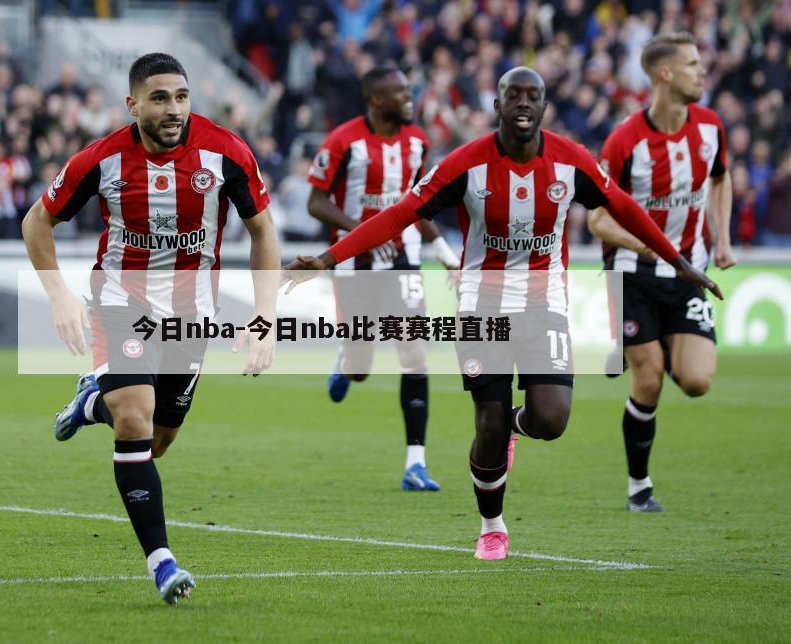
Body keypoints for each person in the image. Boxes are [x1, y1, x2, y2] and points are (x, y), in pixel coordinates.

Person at [284, 66, 720, 560]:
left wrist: (678, 261)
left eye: (533, 96)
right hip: (481, 308)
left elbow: (623, 206)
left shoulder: (571, 161)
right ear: (497, 105)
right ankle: (492, 524)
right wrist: (326, 259)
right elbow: (400, 214)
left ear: (544, 107)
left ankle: (517, 425)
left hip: (544, 306)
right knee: (486, 424)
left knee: (552, 421)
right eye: (513, 95)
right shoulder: (464, 165)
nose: (523, 104)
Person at [21, 53, 280, 604]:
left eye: (182, 97)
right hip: (120, 306)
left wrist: (264, 318)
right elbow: (36, 221)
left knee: (158, 442)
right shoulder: (103, 159)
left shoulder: (226, 152)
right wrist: (60, 295)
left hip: (191, 319)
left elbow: (263, 232)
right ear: (132, 104)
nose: (174, 109)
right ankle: (162, 562)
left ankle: (91, 402)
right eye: (160, 98)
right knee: (134, 420)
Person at [588, 32, 735, 513]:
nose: (702, 71)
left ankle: (666, 347)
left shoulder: (711, 127)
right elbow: (597, 219)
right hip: (633, 273)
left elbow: (720, 177)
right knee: (647, 380)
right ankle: (638, 488)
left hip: (689, 272)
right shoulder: (625, 140)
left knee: (696, 381)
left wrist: (723, 238)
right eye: (693, 64)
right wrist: (650, 247)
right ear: (665, 74)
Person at [306, 66, 460, 491]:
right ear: (376, 99)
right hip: (355, 264)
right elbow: (315, 202)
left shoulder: (418, 143)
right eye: (400, 93)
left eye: (409, 91)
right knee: (361, 368)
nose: (409, 99)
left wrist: (446, 255)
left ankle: (416, 463)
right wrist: (363, 233)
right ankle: (346, 361)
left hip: (404, 260)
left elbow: (418, 208)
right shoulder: (343, 141)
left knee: (415, 355)